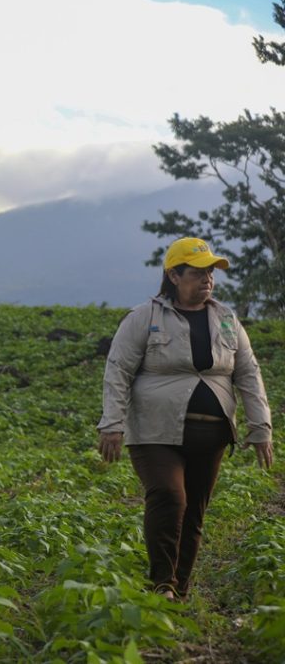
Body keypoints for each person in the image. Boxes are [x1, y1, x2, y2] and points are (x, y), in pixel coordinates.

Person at [97, 236, 273, 599]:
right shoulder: (144, 317)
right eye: (197, 273)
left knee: (193, 511)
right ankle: (162, 582)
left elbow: (248, 374)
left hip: (211, 434)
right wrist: (112, 423)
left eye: (211, 273)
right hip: (155, 431)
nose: (207, 279)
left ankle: (178, 590)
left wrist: (261, 428)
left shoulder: (226, 319)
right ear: (174, 276)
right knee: (168, 495)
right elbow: (118, 370)